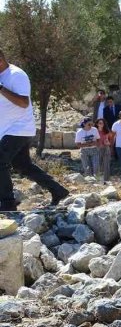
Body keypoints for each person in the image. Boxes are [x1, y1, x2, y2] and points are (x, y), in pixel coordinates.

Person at [0, 50, 69, 211]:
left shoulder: (16, 75)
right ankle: (58, 190)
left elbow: (24, 102)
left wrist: (1, 88)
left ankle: (7, 203)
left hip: (19, 129)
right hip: (7, 130)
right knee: (23, 165)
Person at [95, 118, 113, 183]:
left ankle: (106, 180)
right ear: (97, 124)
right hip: (98, 149)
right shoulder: (94, 131)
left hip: (106, 148)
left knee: (106, 165)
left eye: (102, 123)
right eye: (100, 123)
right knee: (98, 165)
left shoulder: (107, 131)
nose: (101, 124)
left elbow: (111, 138)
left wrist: (109, 143)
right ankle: (98, 180)